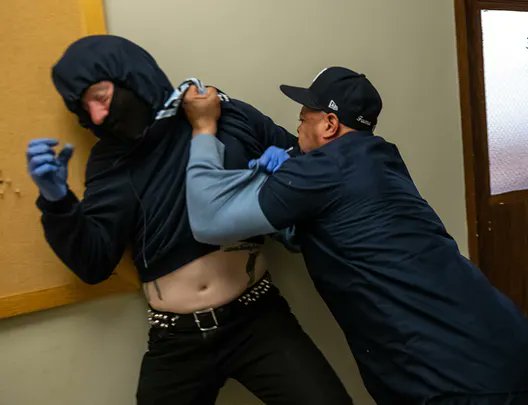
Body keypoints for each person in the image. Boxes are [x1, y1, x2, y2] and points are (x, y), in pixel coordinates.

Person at [182, 66, 528, 405]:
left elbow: (208, 221)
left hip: (458, 379)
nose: (297, 130)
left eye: (301, 119)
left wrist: (202, 130)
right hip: (506, 349)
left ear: (328, 124)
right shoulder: (381, 157)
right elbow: (330, 231)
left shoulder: (324, 171)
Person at [25, 35, 350, 405]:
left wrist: (288, 164)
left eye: (100, 97)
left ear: (131, 77)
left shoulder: (225, 115)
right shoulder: (110, 162)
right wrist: (57, 202)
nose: (97, 115)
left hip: (257, 317)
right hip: (177, 340)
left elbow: (308, 163)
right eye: (84, 108)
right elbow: (94, 262)